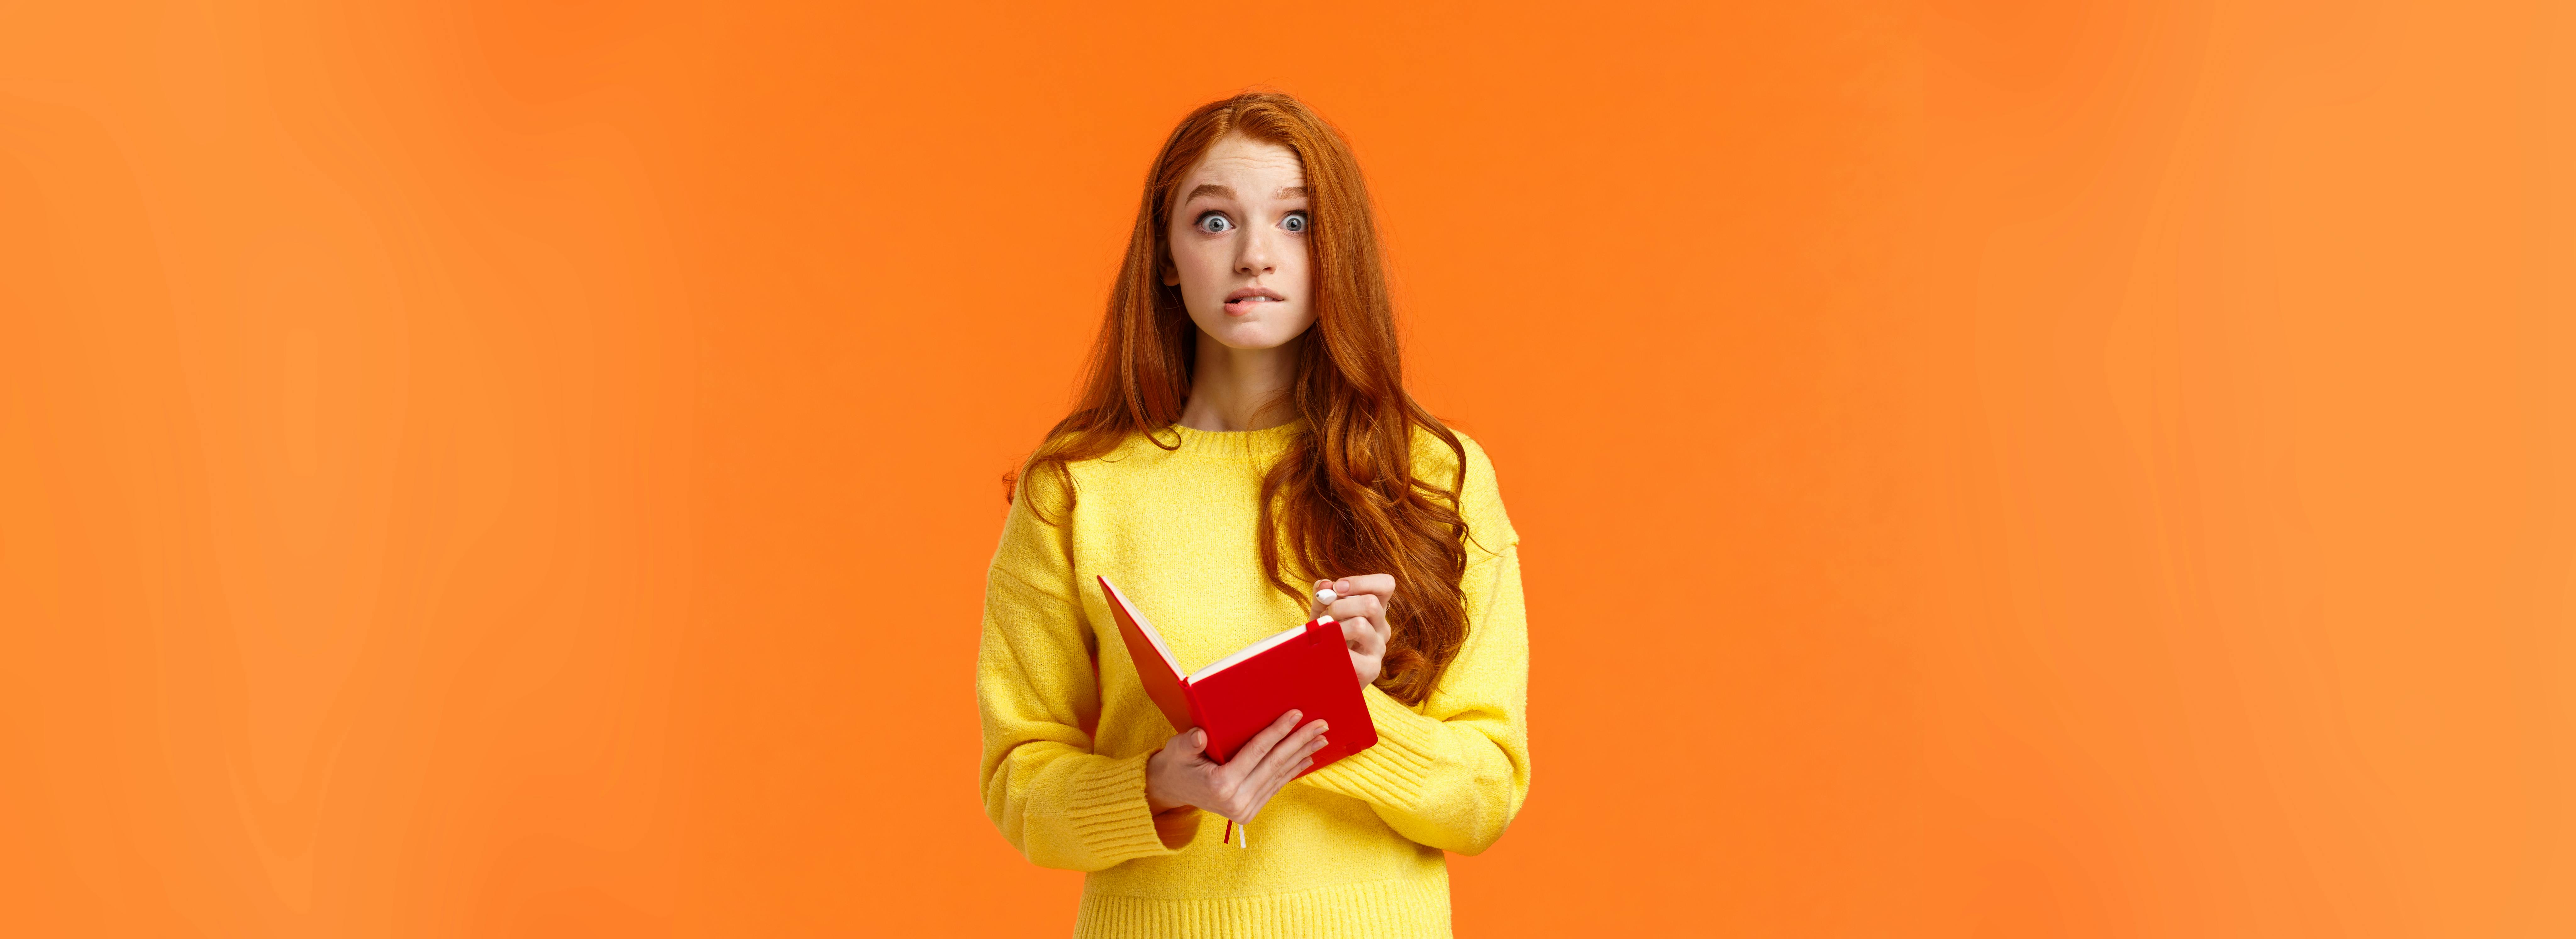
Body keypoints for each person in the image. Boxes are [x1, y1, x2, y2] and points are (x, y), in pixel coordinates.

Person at [976, 91, 1530, 938]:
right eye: (1213, 222)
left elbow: (1486, 797)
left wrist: (1350, 713)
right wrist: (1158, 785)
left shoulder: (1434, 474)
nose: (1256, 257)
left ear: (1333, 249)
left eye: (1297, 222)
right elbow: (1020, 783)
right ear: (1167, 254)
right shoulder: (1080, 486)